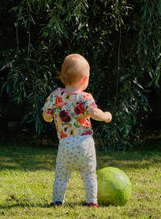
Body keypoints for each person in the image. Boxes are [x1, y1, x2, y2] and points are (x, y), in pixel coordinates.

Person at [42, 53, 112, 208]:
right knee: (89, 174)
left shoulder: (55, 96)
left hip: (65, 144)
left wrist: (50, 117)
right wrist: (106, 116)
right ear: (84, 80)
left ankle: (57, 201)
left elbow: (46, 115)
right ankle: (92, 201)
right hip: (85, 143)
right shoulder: (85, 97)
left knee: (61, 175)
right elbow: (95, 113)